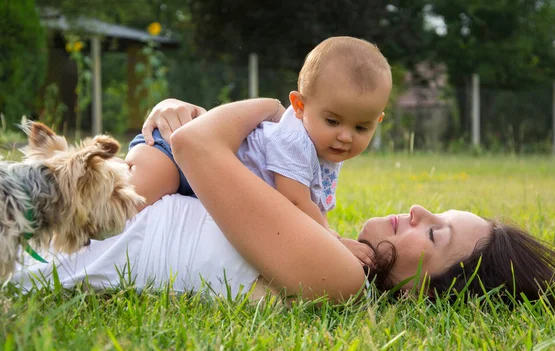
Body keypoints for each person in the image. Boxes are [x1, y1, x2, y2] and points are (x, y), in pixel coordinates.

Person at [11, 98, 555, 304]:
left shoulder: (337, 277)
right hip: (47, 213)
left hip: (26, 244)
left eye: (434, 235)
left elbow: (194, 144)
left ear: (421, 295)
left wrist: (282, 110)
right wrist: (169, 107)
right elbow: (186, 156)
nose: (417, 212)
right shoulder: (321, 227)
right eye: (436, 212)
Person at [127, 37, 393, 267]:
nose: (345, 136)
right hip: (174, 157)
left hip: (207, 184)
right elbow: (297, 204)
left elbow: (314, 206)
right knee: (129, 200)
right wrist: (335, 243)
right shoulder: (294, 140)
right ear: (299, 105)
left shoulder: (326, 148)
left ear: (377, 121)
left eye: (361, 127)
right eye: (333, 121)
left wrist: (327, 231)